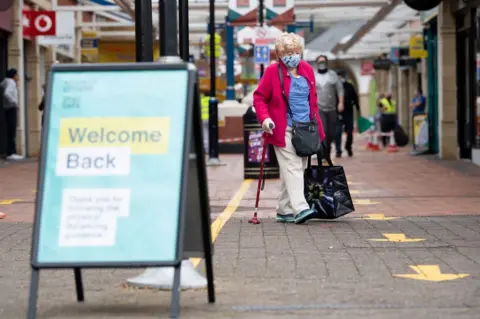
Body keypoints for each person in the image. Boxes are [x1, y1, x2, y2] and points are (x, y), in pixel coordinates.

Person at [253, 33, 325, 224]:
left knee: (297, 168)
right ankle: (300, 208)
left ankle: (284, 210)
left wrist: (317, 126)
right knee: (292, 167)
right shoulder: (272, 72)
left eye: (294, 51)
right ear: (279, 54)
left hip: (305, 128)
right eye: (287, 52)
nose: (292, 55)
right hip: (282, 128)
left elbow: (313, 99)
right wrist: (265, 119)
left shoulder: (307, 69)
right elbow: (259, 97)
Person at [315, 55, 344, 156]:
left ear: (327, 63)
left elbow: (340, 89)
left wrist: (341, 102)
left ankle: (328, 148)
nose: (322, 64)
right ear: (317, 64)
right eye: (320, 62)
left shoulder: (332, 75)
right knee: (323, 131)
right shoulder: (314, 76)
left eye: (323, 62)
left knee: (331, 132)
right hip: (319, 108)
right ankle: (323, 153)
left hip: (331, 108)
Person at [335, 71, 360, 158]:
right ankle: (338, 150)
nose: (339, 78)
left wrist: (358, 108)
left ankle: (348, 147)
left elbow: (355, 97)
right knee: (337, 131)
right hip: (337, 112)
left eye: (341, 76)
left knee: (349, 131)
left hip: (348, 111)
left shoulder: (349, 86)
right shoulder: (334, 87)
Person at [1, 68, 22, 160]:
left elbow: (2, 85)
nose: (18, 77)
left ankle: (10, 152)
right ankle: (11, 153)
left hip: (7, 108)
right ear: (14, 75)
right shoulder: (11, 83)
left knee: (10, 130)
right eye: (17, 75)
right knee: (12, 131)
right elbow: (6, 93)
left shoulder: (6, 81)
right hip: (11, 108)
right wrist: (14, 102)